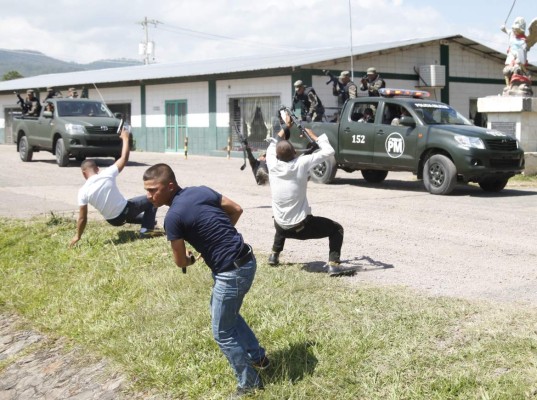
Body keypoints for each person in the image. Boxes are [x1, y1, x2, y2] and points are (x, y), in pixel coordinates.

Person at [142, 163, 268, 397]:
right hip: (247, 261)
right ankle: (258, 356)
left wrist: (190, 261)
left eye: (153, 190)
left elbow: (180, 261)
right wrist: (217, 240)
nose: (149, 196)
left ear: (170, 186)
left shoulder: (173, 218)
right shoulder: (200, 191)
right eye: (147, 191)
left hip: (231, 273)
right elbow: (236, 209)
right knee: (225, 313)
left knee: (222, 332)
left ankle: (249, 384)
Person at [266, 113, 353, 277]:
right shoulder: (301, 163)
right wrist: (312, 134)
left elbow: (274, 141)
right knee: (337, 229)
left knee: (283, 216)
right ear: (294, 153)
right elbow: (329, 151)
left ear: (277, 155)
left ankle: (274, 255)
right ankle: (334, 265)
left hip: (280, 226)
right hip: (301, 229)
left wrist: (287, 126)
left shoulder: (271, 162)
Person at [69, 128, 159, 247]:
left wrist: (78, 236)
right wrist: (125, 138)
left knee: (134, 208)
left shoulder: (82, 192)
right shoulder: (106, 174)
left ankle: (149, 223)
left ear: (83, 173)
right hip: (125, 212)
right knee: (152, 198)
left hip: (113, 220)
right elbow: (124, 158)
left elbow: (82, 218)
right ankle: (146, 232)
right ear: (97, 169)